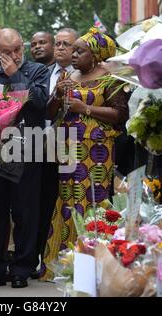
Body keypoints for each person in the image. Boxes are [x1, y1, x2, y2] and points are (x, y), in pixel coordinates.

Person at [40, 27, 129, 281]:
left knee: (92, 201)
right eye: (74, 50)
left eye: (80, 51)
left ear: (97, 55)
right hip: (68, 150)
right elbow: (50, 114)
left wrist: (85, 108)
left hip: (97, 152)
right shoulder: (70, 75)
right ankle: (65, 262)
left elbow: (120, 115)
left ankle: (95, 266)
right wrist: (57, 94)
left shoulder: (111, 79)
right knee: (68, 201)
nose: (73, 54)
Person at [0, 28, 50, 289]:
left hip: (28, 149)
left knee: (25, 212)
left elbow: (39, 102)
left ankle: (22, 268)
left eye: (17, 49)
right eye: (7, 52)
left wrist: (16, 75)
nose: (13, 55)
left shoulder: (37, 71)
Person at [33, 28, 79, 279]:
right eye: (58, 43)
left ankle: (72, 257)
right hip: (45, 146)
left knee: (69, 202)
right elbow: (44, 112)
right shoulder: (46, 74)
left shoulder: (84, 74)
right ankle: (44, 259)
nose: (61, 48)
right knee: (45, 203)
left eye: (66, 44)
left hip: (75, 146)